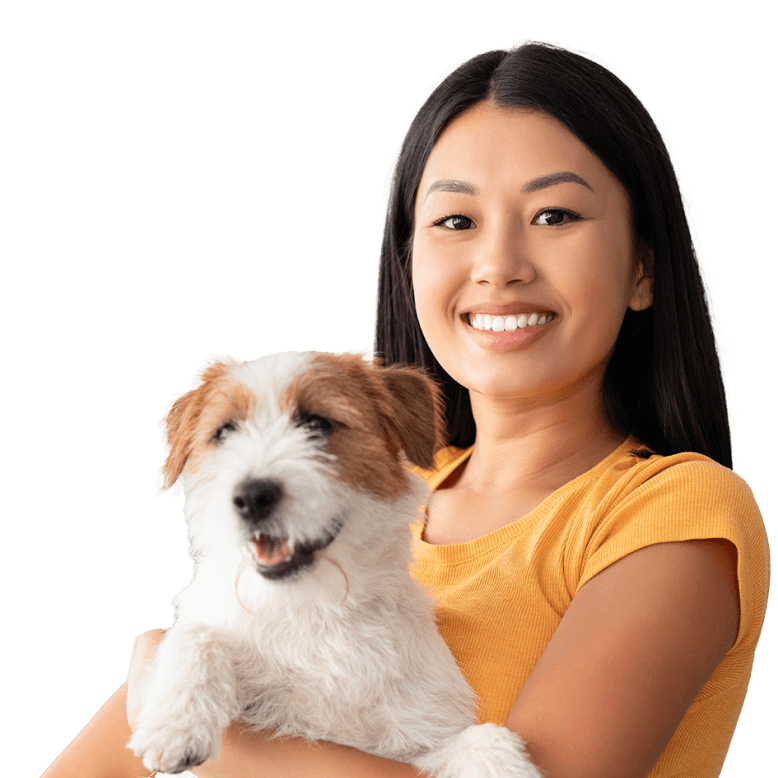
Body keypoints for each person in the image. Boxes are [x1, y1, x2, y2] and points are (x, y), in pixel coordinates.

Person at [44, 40, 769, 778]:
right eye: (456, 221)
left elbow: (161, 726)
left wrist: (180, 703)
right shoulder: (363, 497)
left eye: (554, 214)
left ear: (643, 267)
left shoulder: (673, 513)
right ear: (409, 261)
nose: (499, 264)